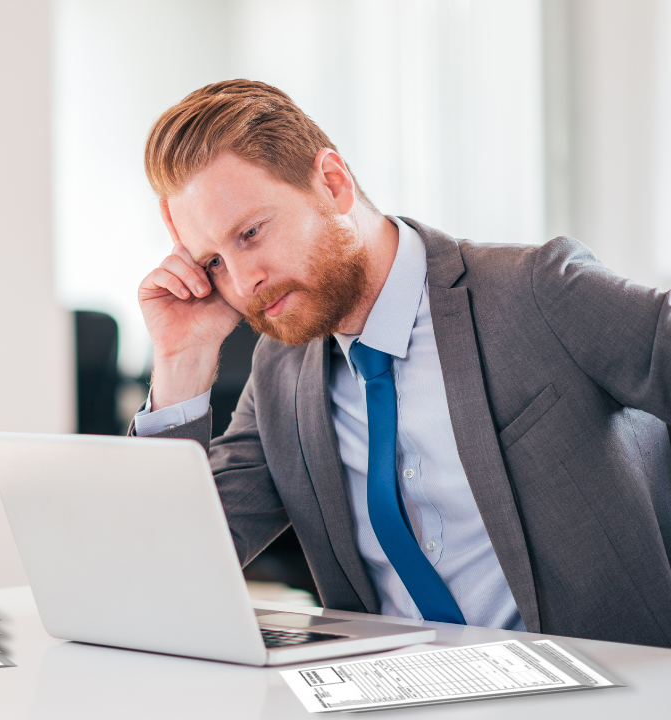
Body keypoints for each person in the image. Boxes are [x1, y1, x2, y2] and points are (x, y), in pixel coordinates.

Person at [135, 79, 671, 648]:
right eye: (213, 261)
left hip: (599, 691)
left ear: (333, 184)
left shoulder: (534, 291)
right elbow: (171, 566)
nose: (243, 283)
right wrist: (180, 362)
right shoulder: (279, 376)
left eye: (250, 233)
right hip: (389, 694)